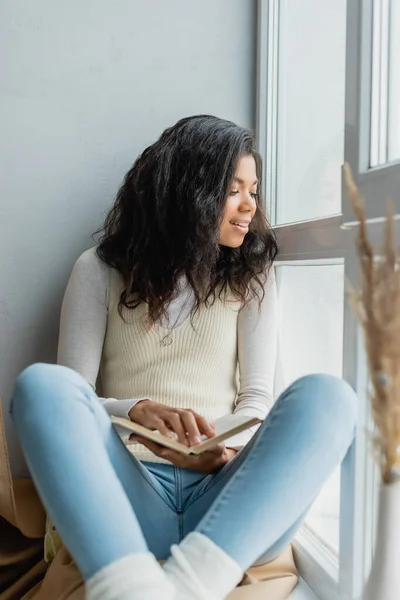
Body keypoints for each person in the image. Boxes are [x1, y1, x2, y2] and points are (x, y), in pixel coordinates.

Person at [10, 115, 358, 600]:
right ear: (189, 190)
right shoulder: (98, 270)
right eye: (234, 189)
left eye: (253, 191)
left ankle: (188, 584)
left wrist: (220, 453)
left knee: (330, 397)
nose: (249, 206)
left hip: (230, 506)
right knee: (41, 386)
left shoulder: (252, 276)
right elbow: (75, 397)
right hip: (127, 500)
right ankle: (136, 584)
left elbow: (258, 398)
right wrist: (135, 410)